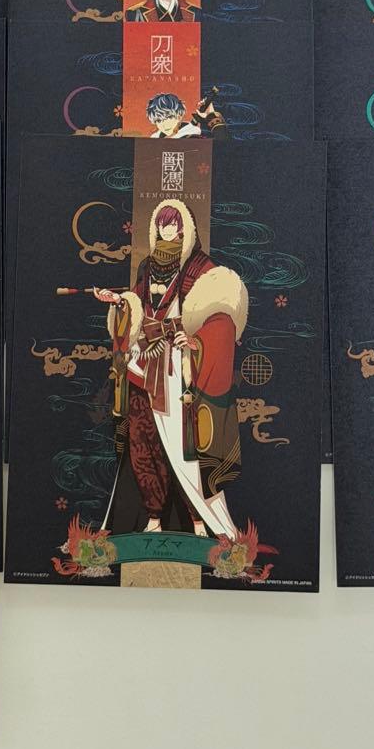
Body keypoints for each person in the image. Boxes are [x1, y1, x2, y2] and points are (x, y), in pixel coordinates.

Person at [94, 200, 248, 538]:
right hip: (143, 366)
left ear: (185, 228)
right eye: (163, 223)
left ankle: (199, 521)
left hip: (180, 372)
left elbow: (220, 320)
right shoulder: (147, 266)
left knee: (185, 450)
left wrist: (194, 341)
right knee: (142, 443)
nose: (168, 229)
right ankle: (153, 516)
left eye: (174, 223)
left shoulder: (202, 269)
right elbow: (136, 309)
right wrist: (119, 304)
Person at [145, 91, 229, 139]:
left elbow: (223, 146)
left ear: (179, 116)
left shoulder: (192, 136)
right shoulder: (155, 138)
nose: (164, 125)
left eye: (169, 117)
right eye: (159, 120)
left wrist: (211, 116)